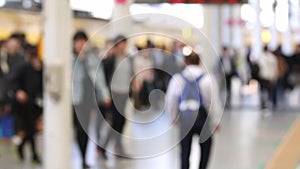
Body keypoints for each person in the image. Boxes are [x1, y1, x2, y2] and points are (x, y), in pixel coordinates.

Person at [166, 51, 221, 169]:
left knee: (185, 150)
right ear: (199, 62)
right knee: (205, 148)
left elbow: (171, 100)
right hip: (202, 118)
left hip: (184, 118)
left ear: (185, 62)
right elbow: (214, 102)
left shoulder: (177, 79)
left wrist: (173, 117)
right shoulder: (208, 78)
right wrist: (216, 121)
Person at [72, 31, 110, 168]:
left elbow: (99, 78)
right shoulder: (71, 59)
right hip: (74, 100)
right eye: (78, 41)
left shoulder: (92, 59)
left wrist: (105, 95)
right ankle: (80, 156)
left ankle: (83, 158)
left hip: (88, 100)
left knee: (85, 129)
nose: (81, 44)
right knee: (77, 129)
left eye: (84, 42)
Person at [101, 35, 135, 157]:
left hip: (124, 93)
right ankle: (107, 147)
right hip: (113, 93)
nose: (123, 47)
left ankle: (113, 147)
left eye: (124, 44)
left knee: (120, 121)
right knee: (117, 120)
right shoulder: (110, 59)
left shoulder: (128, 59)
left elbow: (131, 74)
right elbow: (103, 77)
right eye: (120, 44)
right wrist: (106, 94)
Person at [10, 49, 42, 164]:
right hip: (22, 105)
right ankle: (33, 154)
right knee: (30, 130)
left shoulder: (40, 68)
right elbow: (13, 81)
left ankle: (24, 149)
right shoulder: (23, 66)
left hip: (34, 105)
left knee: (31, 130)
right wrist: (19, 91)